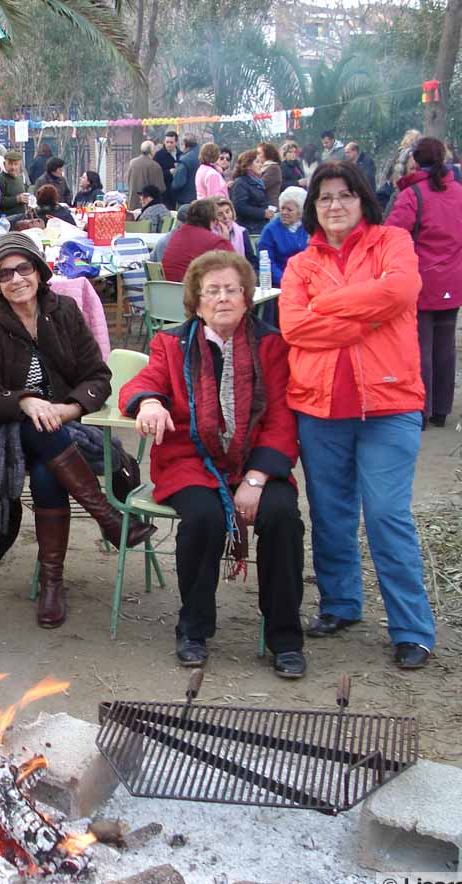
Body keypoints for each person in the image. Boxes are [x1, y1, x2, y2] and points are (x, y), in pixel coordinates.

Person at [279, 159, 436, 670]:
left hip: (390, 403)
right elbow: (295, 329)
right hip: (321, 407)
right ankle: (341, 603)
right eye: (324, 198)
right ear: (313, 209)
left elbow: (400, 292)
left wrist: (329, 305)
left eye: (344, 195)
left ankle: (411, 628)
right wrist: (362, 320)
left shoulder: (392, 242)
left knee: (388, 515)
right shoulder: (302, 264)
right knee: (331, 513)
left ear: (362, 199)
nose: (335, 205)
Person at [120, 251, 305, 675]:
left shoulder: (271, 344)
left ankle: (285, 637)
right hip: (192, 460)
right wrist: (149, 401)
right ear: (196, 300)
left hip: (255, 462)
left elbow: (280, 416)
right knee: (202, 517)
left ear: (246, 296)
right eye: (212, 291)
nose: (223, 298)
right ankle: (194, 628)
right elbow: (145, 380)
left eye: (232, 289)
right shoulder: (172, 342)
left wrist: (256, 478)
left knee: (282, 517)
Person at [0, 234, 154, 628]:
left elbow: (98, 377)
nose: (16, 279)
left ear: (39, 270)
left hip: (67, 435)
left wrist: (67, 410)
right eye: (4, 274)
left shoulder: (64, 312)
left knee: (46, 472)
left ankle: (53, 581)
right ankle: (107, 519)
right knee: (36, 426)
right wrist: (23, 401)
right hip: (10, 439)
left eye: (23, 268)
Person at [384, 137, 462, 425]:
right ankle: (442, 409)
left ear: (415, 160)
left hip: (422, 282)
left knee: (420, 347)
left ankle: (422, 407)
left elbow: (392, 233)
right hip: (454, 280)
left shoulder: (412, 195)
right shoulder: (458, 192)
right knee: (446, 346)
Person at [160, 198, 233, 282]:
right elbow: (233, 267)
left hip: (167, 291)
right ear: (212, 220)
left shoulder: (176, 235)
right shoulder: (216, 242)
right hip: (191, 292)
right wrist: (225, 240)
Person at [256, 186, 309, 287]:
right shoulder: (270, 230)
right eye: (283, 208)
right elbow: (267, 262)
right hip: (280, 283)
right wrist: (287, 281)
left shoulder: (309, 227)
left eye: (289, 210)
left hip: (307, 280)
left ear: (300, 213)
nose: (284, 213)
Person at [231, 150, 274, 236]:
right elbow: (239, 207)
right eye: (257, 162)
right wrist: (262, 213)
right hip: (249, 229)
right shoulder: (240, 183)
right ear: (248, 166)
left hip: (260, 226)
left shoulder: (258, 182)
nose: (261, 164)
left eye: (261, 162)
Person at [214, 197, 260, 270]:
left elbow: (251, 259)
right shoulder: (210, 235)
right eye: (220, 214)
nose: (225, 217)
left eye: (227, 212)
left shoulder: (242, 231)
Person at [126, 140, 166, 211]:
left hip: (132, 203)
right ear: (152, 151)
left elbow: (127, 181)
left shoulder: (132, 163)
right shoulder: (154, 166)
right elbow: (160, 188)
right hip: (149, 206)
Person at [0, 150, 30, 218]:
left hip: (21, 217)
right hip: (7, 220)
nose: (13, 167)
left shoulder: (20, 178)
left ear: (19, 165)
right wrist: (17, 199)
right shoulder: (1, 179)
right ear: (4, 164)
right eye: (10, 164)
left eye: (15, 164)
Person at [170, 135, 200, 207]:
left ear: (185, 145)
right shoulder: (200, 155)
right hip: (198, 198)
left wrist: (175, 173)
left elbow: (178, 183)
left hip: (185, 200)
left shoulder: (185, 160)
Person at [154, 130, 181, 208]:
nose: (169, 144)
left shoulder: (181, 154)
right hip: (165, 193)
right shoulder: (159, 156)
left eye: (171, 142)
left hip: (178, 192)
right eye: (167, 142)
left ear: (176, 142)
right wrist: (169, 172)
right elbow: (156, 174)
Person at [257, 142, 282, 206]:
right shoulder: (262, 167)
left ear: (267, 154)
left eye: (259, 153)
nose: (257, 155)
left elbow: (262, 184)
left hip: (270, 205)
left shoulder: (273, 168)